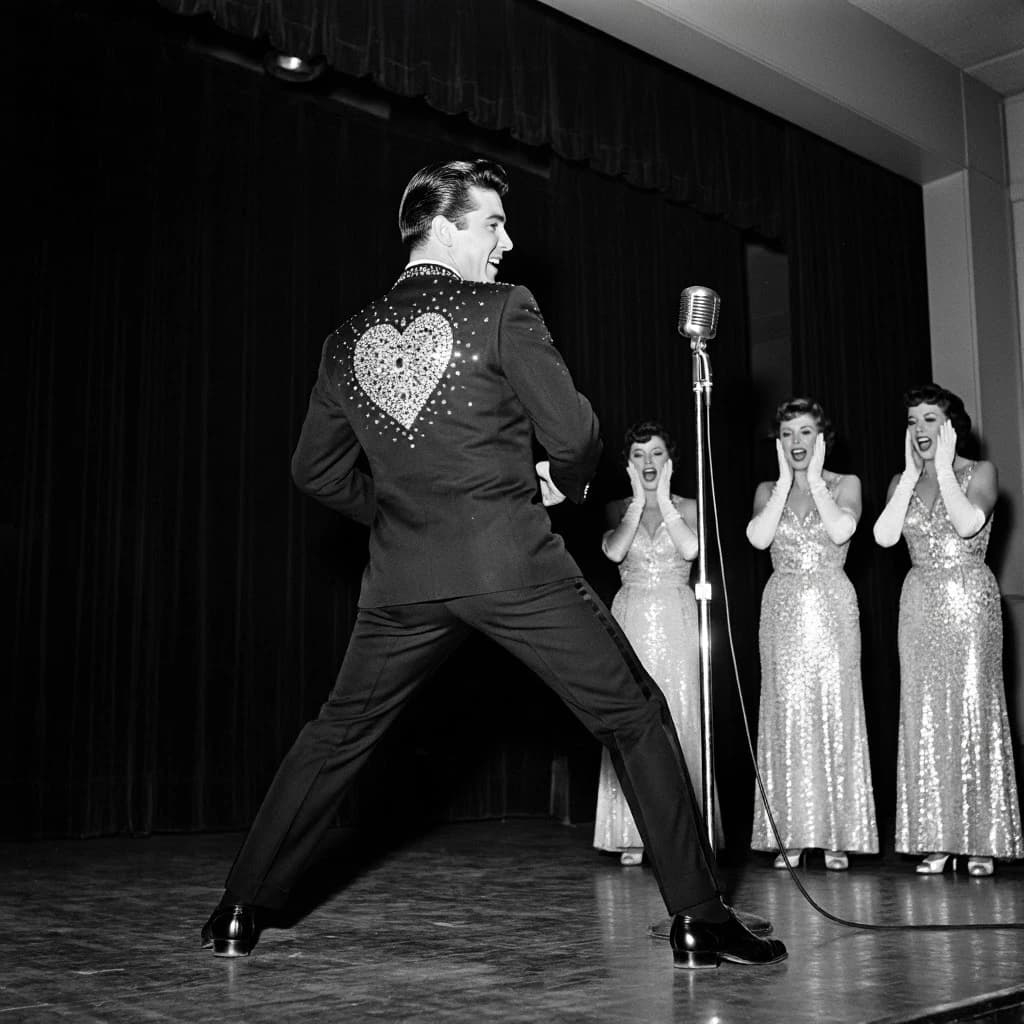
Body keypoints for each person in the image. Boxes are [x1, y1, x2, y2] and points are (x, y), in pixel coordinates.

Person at [199, 159, 786, 969]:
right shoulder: (502, 309)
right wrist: (564, 486)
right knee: (634, 716)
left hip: (403, 581)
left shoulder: (344, 341)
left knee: (335, 735)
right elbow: (577, 437)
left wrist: (403, 514)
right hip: (514, 566)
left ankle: (238, 908)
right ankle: (698, 915)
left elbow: (314, 471)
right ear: (443, 228)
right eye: (493, 225)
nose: (507, 243)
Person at [873, 383, 1022, 876]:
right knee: (926, 716)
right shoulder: (902, 479)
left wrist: (942, 468)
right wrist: (914, 477)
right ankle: (934, 836)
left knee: (971, 712)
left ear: (951, 425)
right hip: (918, 602)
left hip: (968, 601)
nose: (919, 428)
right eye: (913, 420)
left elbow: (965, 523)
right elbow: (885, 536)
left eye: (930, 419)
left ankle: (981, 838)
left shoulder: (981, 472)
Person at [746, 398, 878, 870]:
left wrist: (816, 482)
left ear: (822, 438)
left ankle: (838, 833)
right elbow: (759, 539)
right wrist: (786, 483)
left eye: (804, 432)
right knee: (787, 714)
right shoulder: (768, 489)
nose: (796, 442)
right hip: (781, 608)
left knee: (834, 711)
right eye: (787, 434)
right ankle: (792, 834)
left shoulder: (847, 485)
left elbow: (842, 530)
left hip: (831, 607)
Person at [593, 422, 704, 868]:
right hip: (633, 615)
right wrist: (639, 503)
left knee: (678, 713)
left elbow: (691, 549)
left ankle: (685, 831)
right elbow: (616, 553)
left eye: (656, 453)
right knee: (634, 717)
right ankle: (632, 831)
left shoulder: (690, 507)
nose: (648, 463)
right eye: (639, 455)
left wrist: (666, 503)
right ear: (628, 463)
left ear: (670, 460)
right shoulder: (618, 508)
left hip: (677, 615)